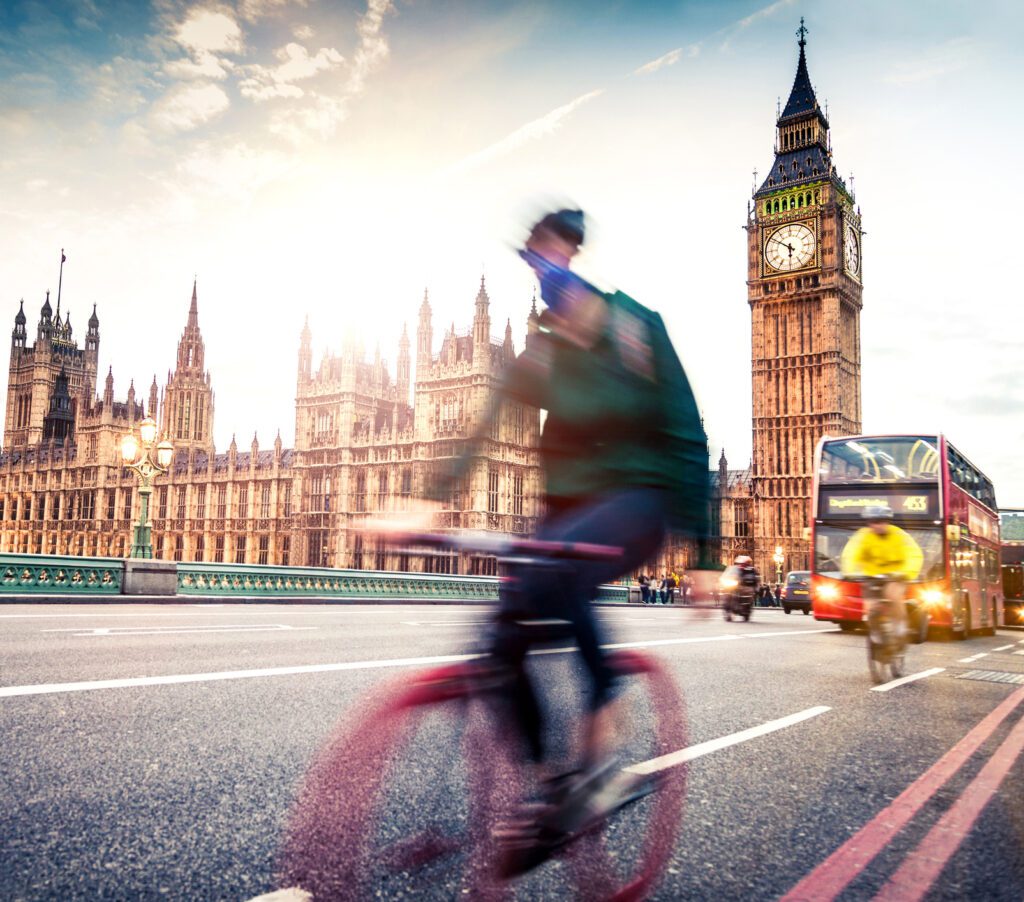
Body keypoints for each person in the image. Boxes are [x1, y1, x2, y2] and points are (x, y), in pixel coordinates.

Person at [431, 207, 709, 863]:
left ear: (574, 258)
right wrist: (428, 498)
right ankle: (547, 788)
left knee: (558, 570)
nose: (544, 272)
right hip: (567, 510)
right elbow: (483, 425)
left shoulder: (636, 328)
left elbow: (689, 434)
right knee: (498, 636)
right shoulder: (542, 352)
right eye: (533, 262)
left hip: (640, 499)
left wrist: (707, 556)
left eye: (551, 258)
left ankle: (607, 744)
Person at [841, 505, 923, 636]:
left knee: (893, 595)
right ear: (869, 523)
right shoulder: (862, 536)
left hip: (896, 575)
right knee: (870, 606)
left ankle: (900, 625)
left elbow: (914, 554)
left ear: (887, 522)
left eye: (880, 522)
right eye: (873, 522)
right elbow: (850, 554)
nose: (877, 525)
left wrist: (907, 573)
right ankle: (875, 633)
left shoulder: (899, 535)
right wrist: (848, 572)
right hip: (872, 576)